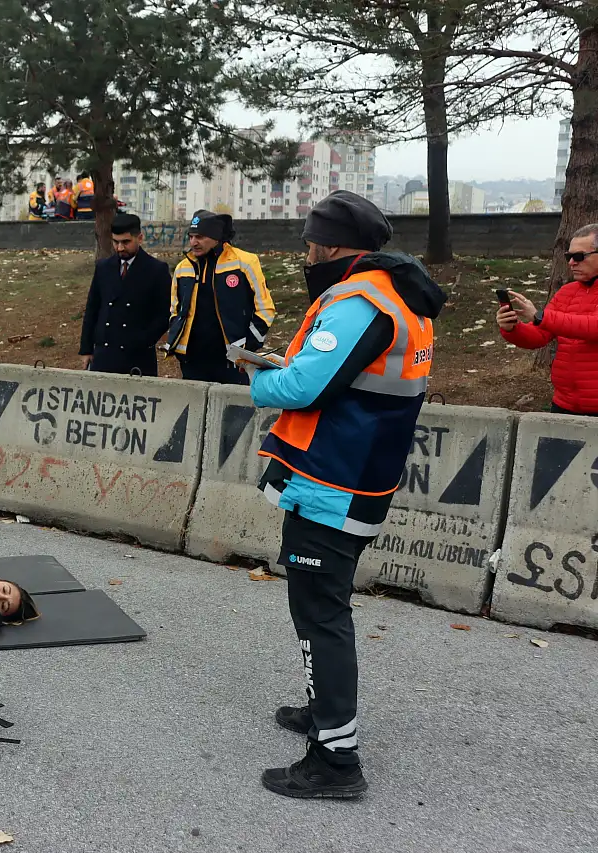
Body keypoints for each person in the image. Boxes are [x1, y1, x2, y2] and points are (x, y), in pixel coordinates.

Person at [236, 190, 445, 799]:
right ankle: (322, 710)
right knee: (320, 608)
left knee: (320, 615)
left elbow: (304, 387)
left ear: (329, 246)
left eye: (310, 245)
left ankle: (335, 759)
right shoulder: (403, 297)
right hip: (359, 474)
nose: (306, 256)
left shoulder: (361, 302)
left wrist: (258, 377)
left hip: (332, 480)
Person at [497, 223, 598, 416]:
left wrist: (540, 316)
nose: (571, 263)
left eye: (579, 257)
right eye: (569, 256)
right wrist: (512, 328)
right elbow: (539, 335)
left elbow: (593, 328)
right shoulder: (567, 292)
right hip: (564, 404)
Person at [168, 210, 276, 384]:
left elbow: (265, 309)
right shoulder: (183, 267)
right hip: (192, 362)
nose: (193, 242)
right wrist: (177, 343)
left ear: (216, 237)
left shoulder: (245, 262)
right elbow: (175, 310)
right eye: (191, 237)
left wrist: (247, 347)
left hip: (233, 361)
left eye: (200, 237)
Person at [79, 212, 172, 376]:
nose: (120, 248)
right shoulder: (103, 267)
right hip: (104, 354)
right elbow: (93, 308)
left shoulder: (156, 270)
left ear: (140, 238)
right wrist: (86, 349)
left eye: (126, 242)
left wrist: (145, 340)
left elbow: (165, 313)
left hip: (138, 357)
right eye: (116, 242)